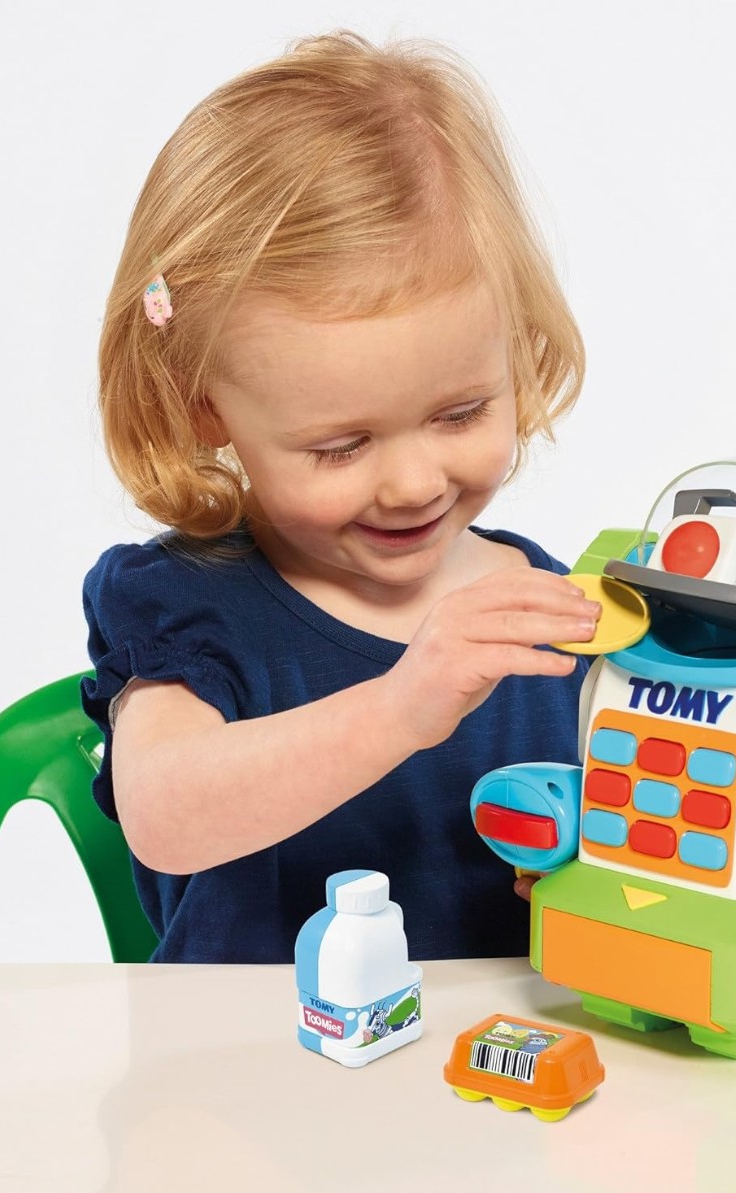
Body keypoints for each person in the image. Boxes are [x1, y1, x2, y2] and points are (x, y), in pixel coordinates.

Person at [81, 32, 598, 964]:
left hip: (501, 1053)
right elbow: (162, 813)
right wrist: (398, 708)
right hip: (247, 1054)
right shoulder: (188, 607)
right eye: (341, 446)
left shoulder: (548, 617)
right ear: (207, 409)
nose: (413, 483)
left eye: (461, 412)